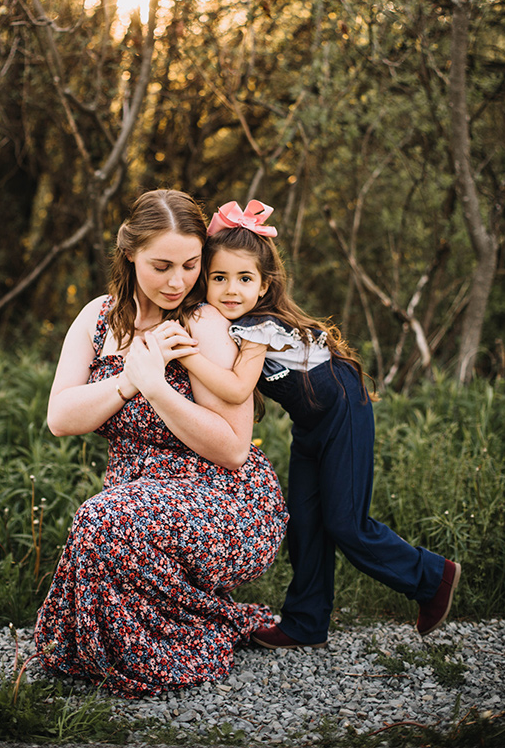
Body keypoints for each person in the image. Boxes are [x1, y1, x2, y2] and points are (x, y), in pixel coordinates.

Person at [169, 199, 461, 650]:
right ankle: (306, 622)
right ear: (204, 280)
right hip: (311, 424)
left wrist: (184, 353)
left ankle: (431, 576)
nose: (231, 289)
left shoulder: (259, 328)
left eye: (244, 279)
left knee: (345, 523)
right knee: (305, 521)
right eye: (219, 278)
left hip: (344, 414)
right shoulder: (231, 323)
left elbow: (234, 390)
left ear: (264, 286)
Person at [34, 189, 288, 697]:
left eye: (192, 265)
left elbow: (233, 448)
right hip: (134, 492)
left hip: (222, 497)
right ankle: (107, 651)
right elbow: (60, 417)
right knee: (109, 514)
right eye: (161, 265)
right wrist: (130, 379)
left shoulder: (202, 322)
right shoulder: (97, 318)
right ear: (130, 254)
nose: (178, 281)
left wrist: (156, 387)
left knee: (102, 517)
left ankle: (168, 650)